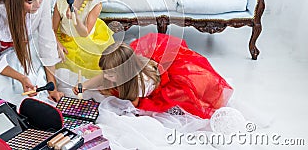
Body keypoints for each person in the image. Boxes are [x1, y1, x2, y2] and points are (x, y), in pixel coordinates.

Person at [73, 33, 233, 119]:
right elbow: (103, 78)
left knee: (186, 97)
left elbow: (132, 104)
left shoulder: (138, 87)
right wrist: (85, 85)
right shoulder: (118, 73)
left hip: (158, 81)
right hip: (148, 65)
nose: (106, 76)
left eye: (110, 74)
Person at [53, 0, 114, 80]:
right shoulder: (60, 3)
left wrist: (75, 19)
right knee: (60, 69)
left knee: (94, 71)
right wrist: (57, 44)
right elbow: (53, 29)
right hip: (65, 40)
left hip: (86, 41)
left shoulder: (95, 5)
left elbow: (84, 33)